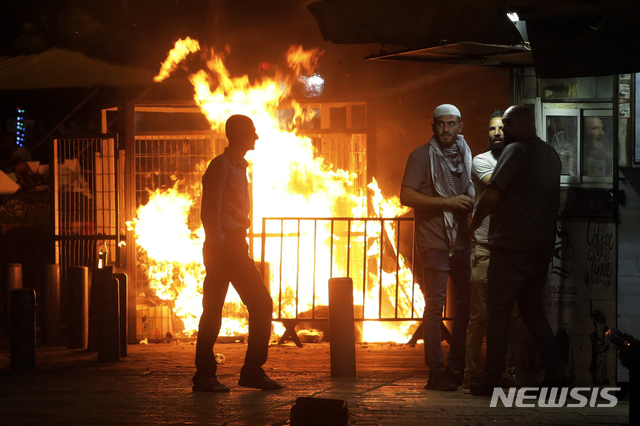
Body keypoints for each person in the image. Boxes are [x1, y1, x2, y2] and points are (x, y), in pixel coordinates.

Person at [469, 105, 565, 396]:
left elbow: (493, 195)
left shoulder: (515, 151)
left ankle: (491, 379)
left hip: (509, 247)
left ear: (522, 124)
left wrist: (473, 224)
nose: (503, 129)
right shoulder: (551, 155)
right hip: (539, 248)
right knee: (532, 311)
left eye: (508, 123)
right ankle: (556, 373)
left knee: (498, 312)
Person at [193, 114, 282, 392]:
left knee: (214, 310)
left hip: (231, 245)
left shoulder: (237, 166)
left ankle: (208, 375)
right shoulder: (221, 166)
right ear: (240, 135)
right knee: (260, 304)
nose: (256, 137)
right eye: (252, 132)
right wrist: (220, 244)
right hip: (226, 247)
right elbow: (210, 209)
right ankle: (249, 372)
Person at [400, 104, 474, 391]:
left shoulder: (467, 156)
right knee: (434, 307)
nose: (446, 129)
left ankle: (456, 366)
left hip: (463, 242)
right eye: (441, 124)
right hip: (433, 242)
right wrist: (448, 202)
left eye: (451, 124)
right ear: (433, 127)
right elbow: (406, 195)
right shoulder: (420, 156)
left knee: (467, 303)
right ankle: (435, 371)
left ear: (460, 126)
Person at [463, 110, 517, 391]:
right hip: (484, 246)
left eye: (501, 129)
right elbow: (497, 187)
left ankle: (506, 370)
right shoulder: (481, 160)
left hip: (507, 248)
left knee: (507, 312)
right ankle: (471, 373)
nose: (496, 133)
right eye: (492, 129)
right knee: (479, 314)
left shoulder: (516, 159)